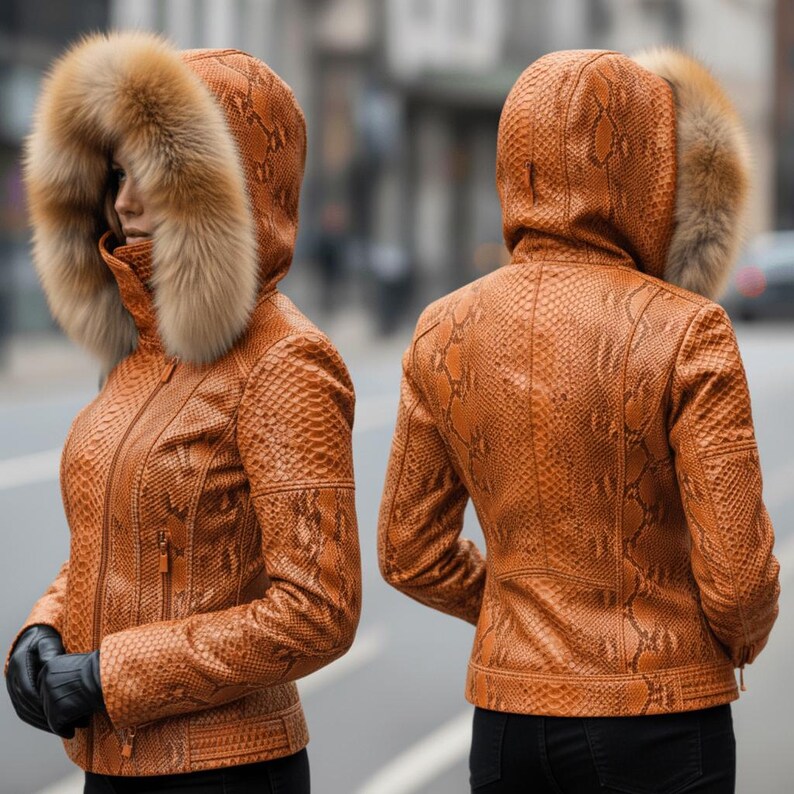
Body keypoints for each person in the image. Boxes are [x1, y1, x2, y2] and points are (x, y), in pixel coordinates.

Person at [377, 48, 780, 793]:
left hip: (507, 724)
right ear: (651, 167)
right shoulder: (687, 329)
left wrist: (517, 612)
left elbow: (409, 550)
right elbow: (739, 583)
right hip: (659, 716)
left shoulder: (443, 328)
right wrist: (723, 643)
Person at [4, 31, 361, 793]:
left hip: (228, 772)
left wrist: (109, 675)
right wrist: (45, 626)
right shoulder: (137, 351)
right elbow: (124, 534)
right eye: (119, 172)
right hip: (112, 763)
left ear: (233, 190)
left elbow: (318, 608)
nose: (126, 201)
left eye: (159, 176)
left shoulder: (285, 362)